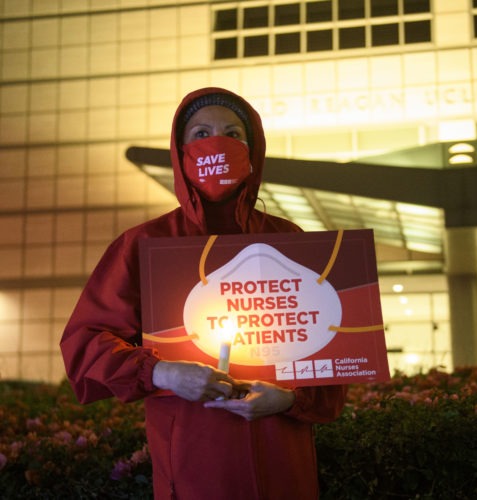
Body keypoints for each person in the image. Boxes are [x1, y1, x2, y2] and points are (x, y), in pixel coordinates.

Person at [60, 87, 347, 499]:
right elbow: (84, 345)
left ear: (253, 149)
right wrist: (163, 372)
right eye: (202, 133)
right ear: (180, 152)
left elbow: (333, 367)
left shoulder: (289, 241)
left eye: (233, 132)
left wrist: (288, 400)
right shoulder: (144, 244)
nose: (219, 142)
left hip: (286, 469)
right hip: (194, 472)